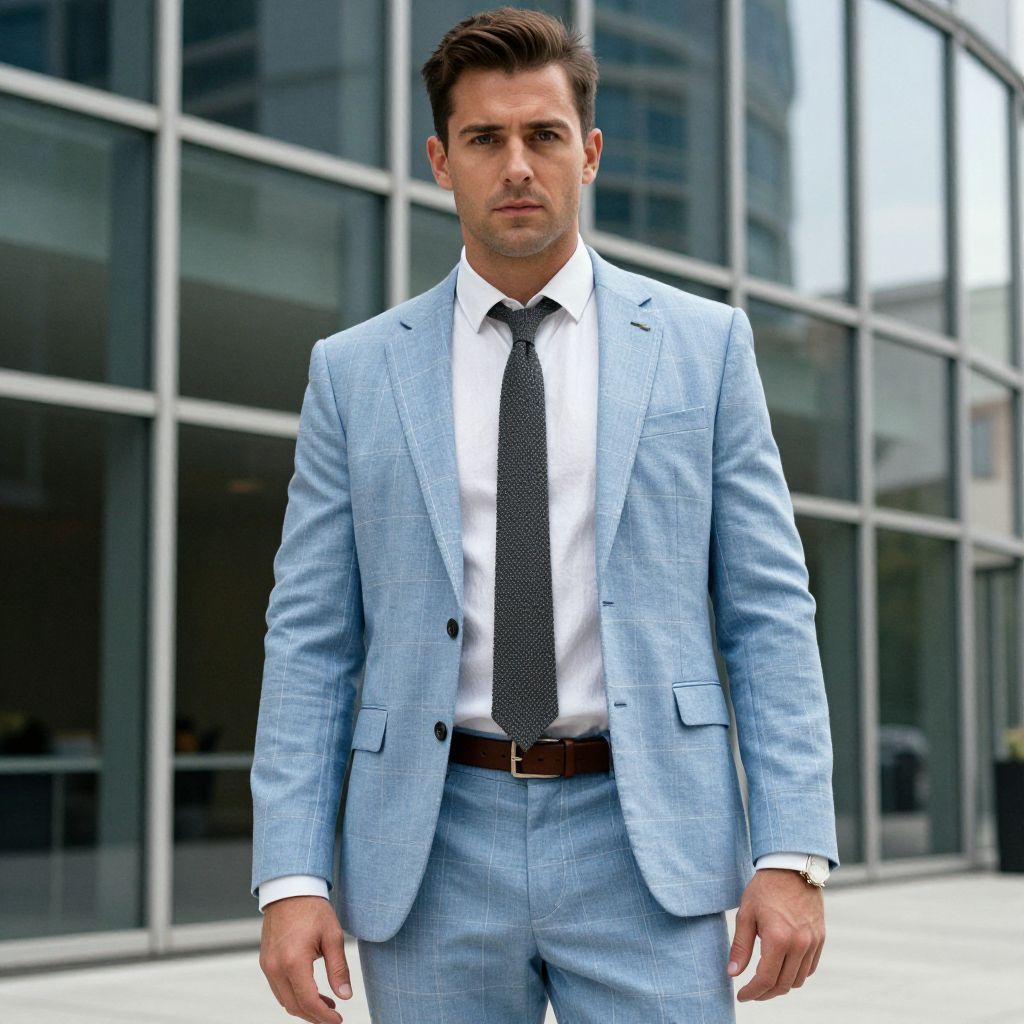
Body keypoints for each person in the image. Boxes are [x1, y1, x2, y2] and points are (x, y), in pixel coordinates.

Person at [250, 7, 839, 1023]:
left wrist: (790, 849)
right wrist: (291, 873)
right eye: (484, 139)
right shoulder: (354, 373)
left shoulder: (704, 348)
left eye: (543, 135)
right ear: (441, 160)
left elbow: (768, 612)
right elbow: (310, 637)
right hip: (429, 845)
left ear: (590, 151)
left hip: (646, 835)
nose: (516, 164)